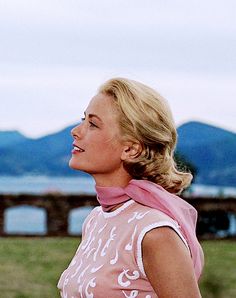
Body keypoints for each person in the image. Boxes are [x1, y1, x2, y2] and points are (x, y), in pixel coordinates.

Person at [57, 78, 204, 297]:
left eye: (93, 124)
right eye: (83, 119)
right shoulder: (96, 220)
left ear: (131, 149)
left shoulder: (155, 232)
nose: (76, 131)